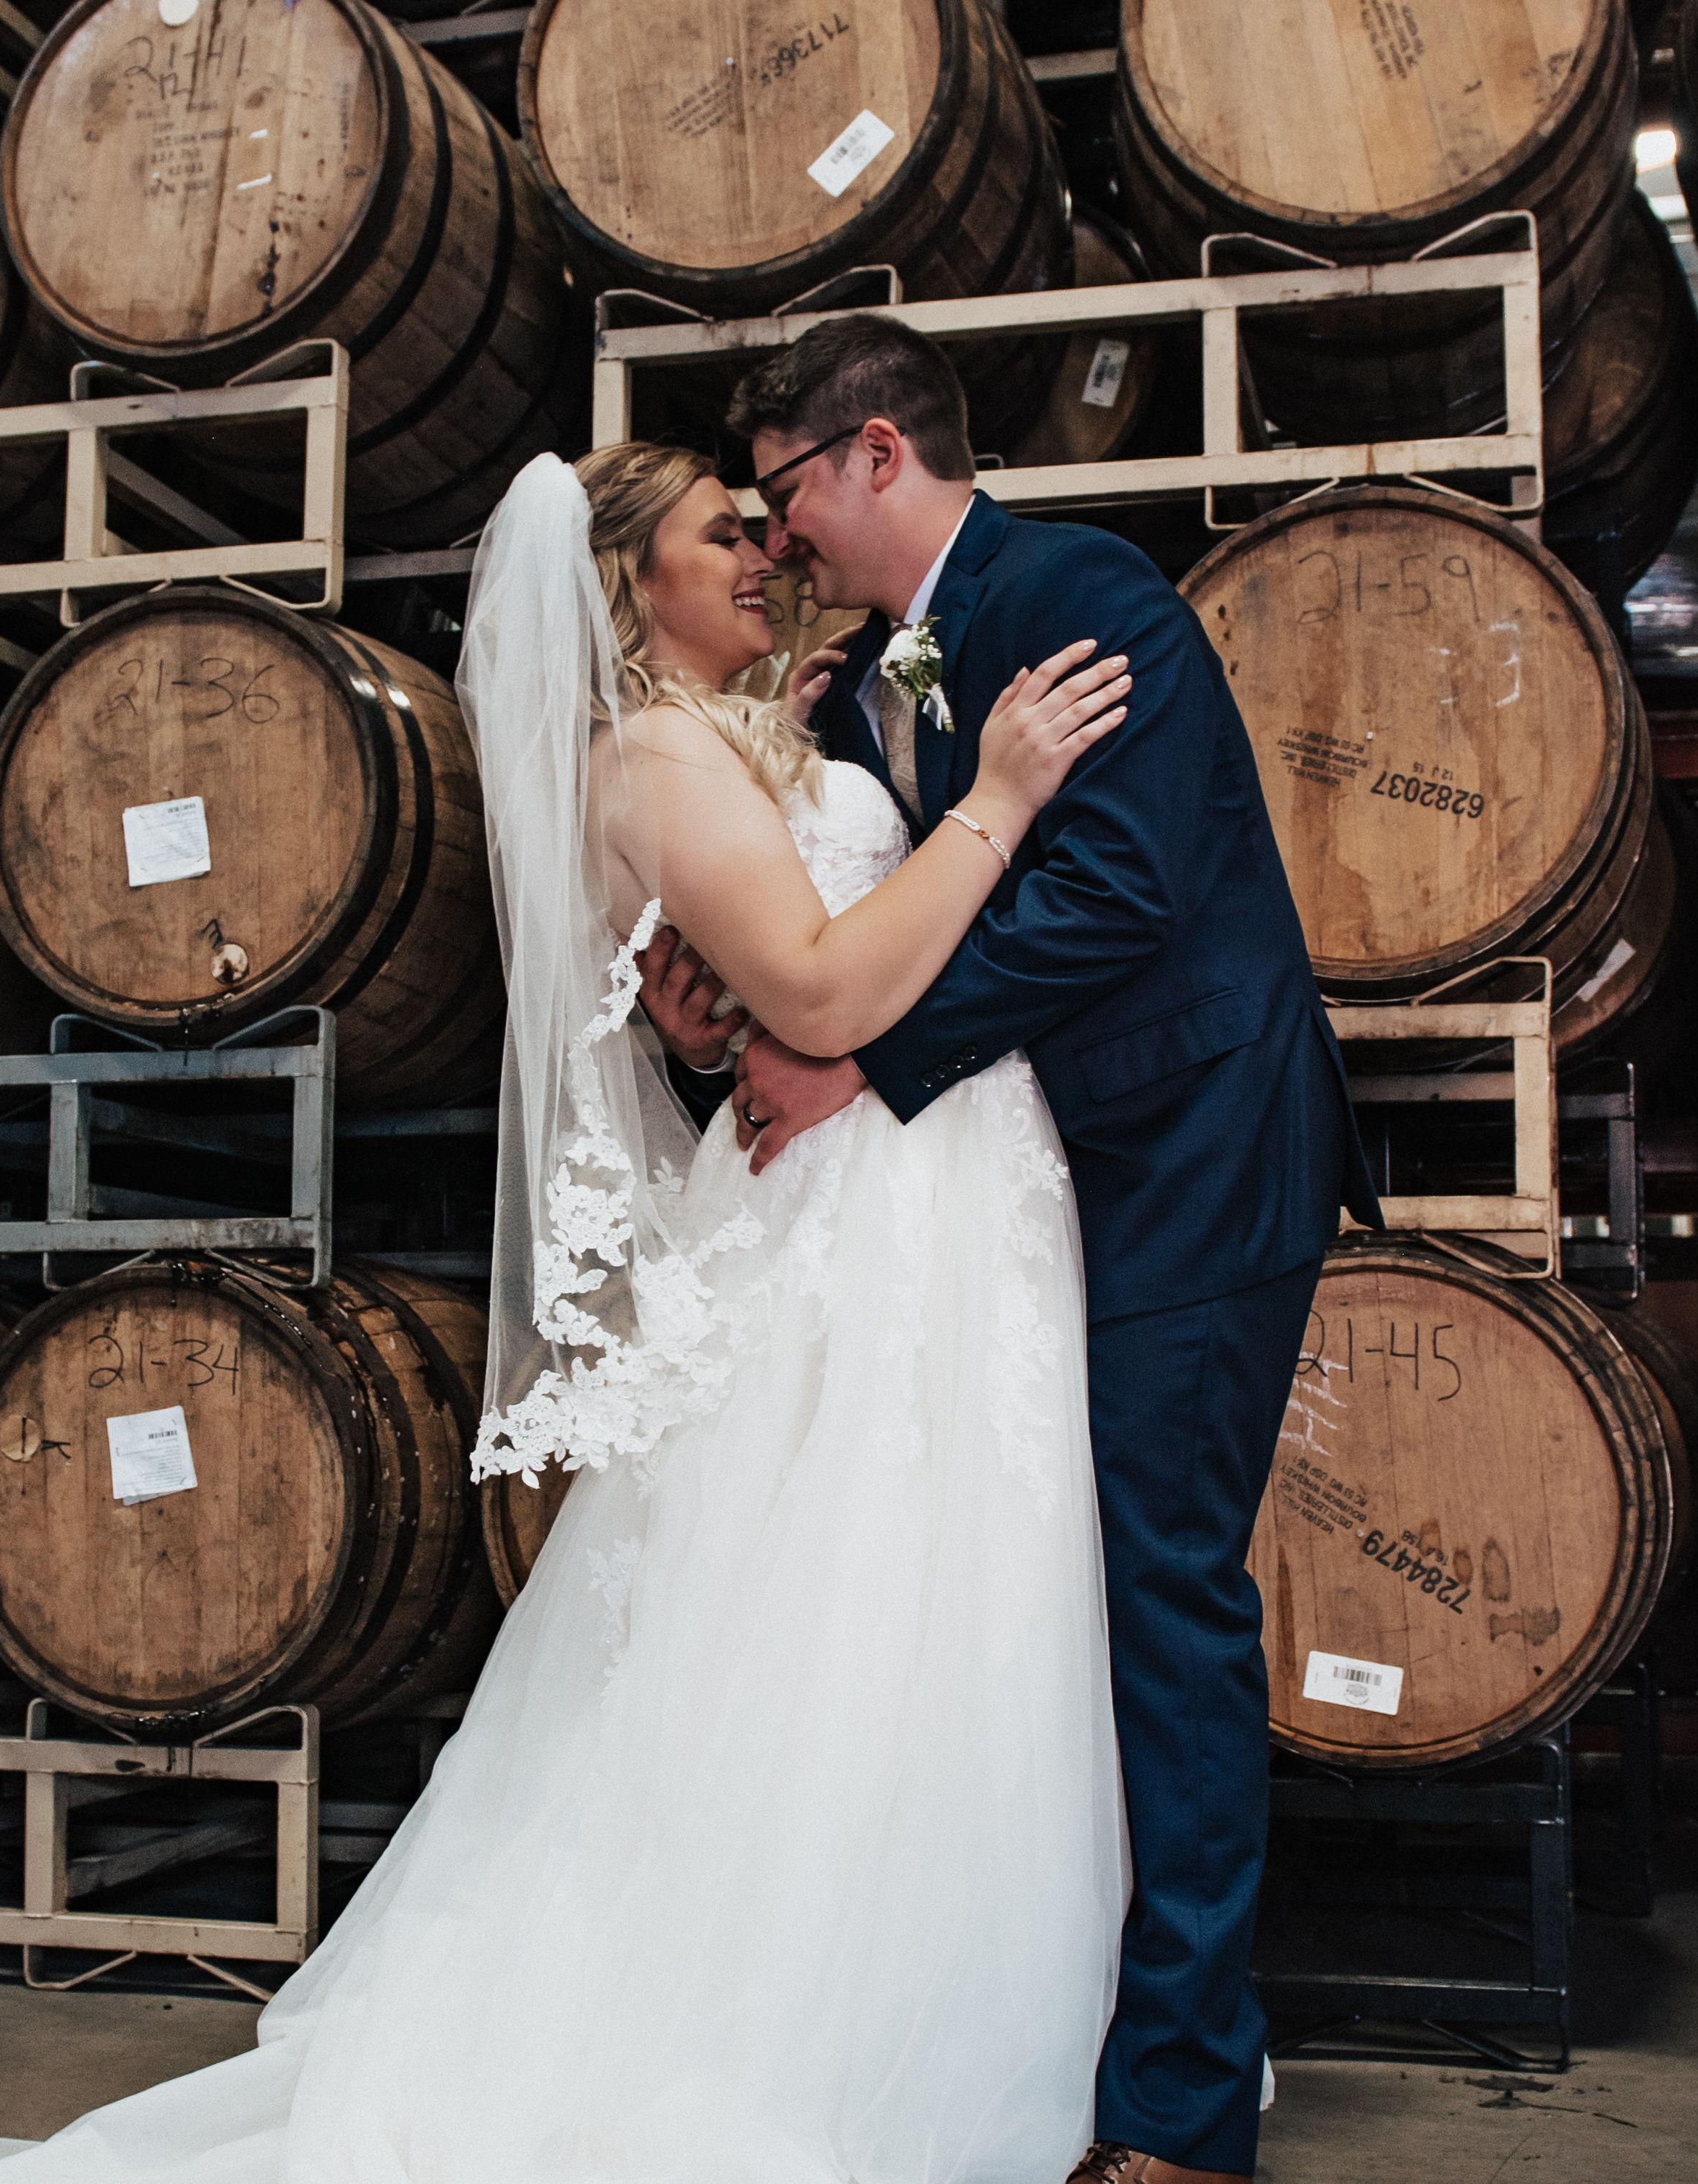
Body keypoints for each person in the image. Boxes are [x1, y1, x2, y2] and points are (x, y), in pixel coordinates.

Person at [0, 440, 1136, 2184]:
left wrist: (750, 925)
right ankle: (822, 2039)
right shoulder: (654, 758)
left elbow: (748, 982)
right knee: (852, 1592)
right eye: (719, 535)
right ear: (629, 583)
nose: (761, 556)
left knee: (929, 1587)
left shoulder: (728, 736)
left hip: (913, 1185)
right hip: (854, 1202)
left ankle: (958, 2010)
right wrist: (996, 796)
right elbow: (823, 986)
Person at [640, 316, 1382, 2183]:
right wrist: (732, 1013)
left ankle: (1182, 2115)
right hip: (1028, 1191)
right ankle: (1015, 2030)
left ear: (877, 455)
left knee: (1161, 1599)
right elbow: (860, 916)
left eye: (789, 493)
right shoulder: (855, 685)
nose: (779, 537)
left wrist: (861, 1062)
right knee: (1028, 1602)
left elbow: (1119, 891)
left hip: (1193, 1159)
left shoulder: (1078, 595)